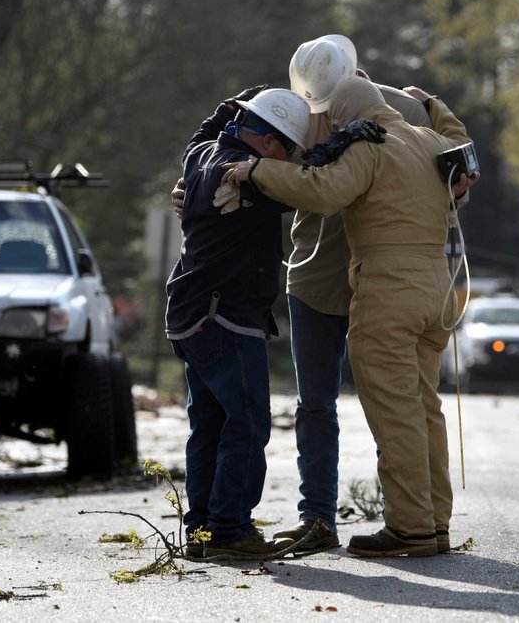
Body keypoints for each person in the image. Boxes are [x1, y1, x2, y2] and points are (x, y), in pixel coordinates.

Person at [171, 35, 478, 555]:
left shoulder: (389, 113)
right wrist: (198, 189)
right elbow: (233, 151)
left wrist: (431, 112)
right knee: (328, 405)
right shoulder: (293, 106)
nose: (321, 112)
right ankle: (329, 519)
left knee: (396, 405)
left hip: (378, 277)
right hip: (324, 277)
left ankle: (414, 524)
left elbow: (452, 174)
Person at [165, 87, 312, 560]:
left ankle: (202, 534)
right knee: (247, 426)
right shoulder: (246, 177)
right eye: (287, 148)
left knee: (209, 426)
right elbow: (311, 181)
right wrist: (346, 139)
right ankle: (230, 531)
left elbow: (203, 131)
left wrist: (239, 101)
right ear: (268, 144)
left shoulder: (201, 154)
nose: (289, 158)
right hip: (224, 315)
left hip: (192, 314)